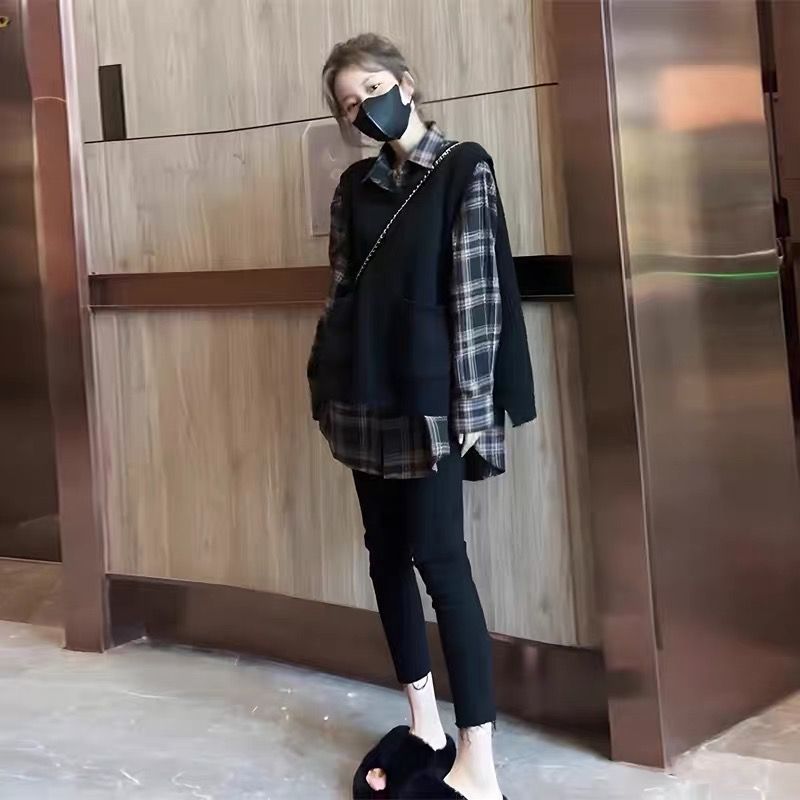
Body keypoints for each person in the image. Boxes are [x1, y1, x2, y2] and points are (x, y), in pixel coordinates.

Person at [307, 33, 535, 800]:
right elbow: (342, 289)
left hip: (430, 402)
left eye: (372, 89)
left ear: (407, 84)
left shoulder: (463, 167)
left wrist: (472, 406)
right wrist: (323, 378)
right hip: (362, 397)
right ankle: (423, 724)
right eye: (349, 104)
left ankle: (479, 762)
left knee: (442, 564)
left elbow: (479, 295)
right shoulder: (354, 187)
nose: (363, 108)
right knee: (384, 557)